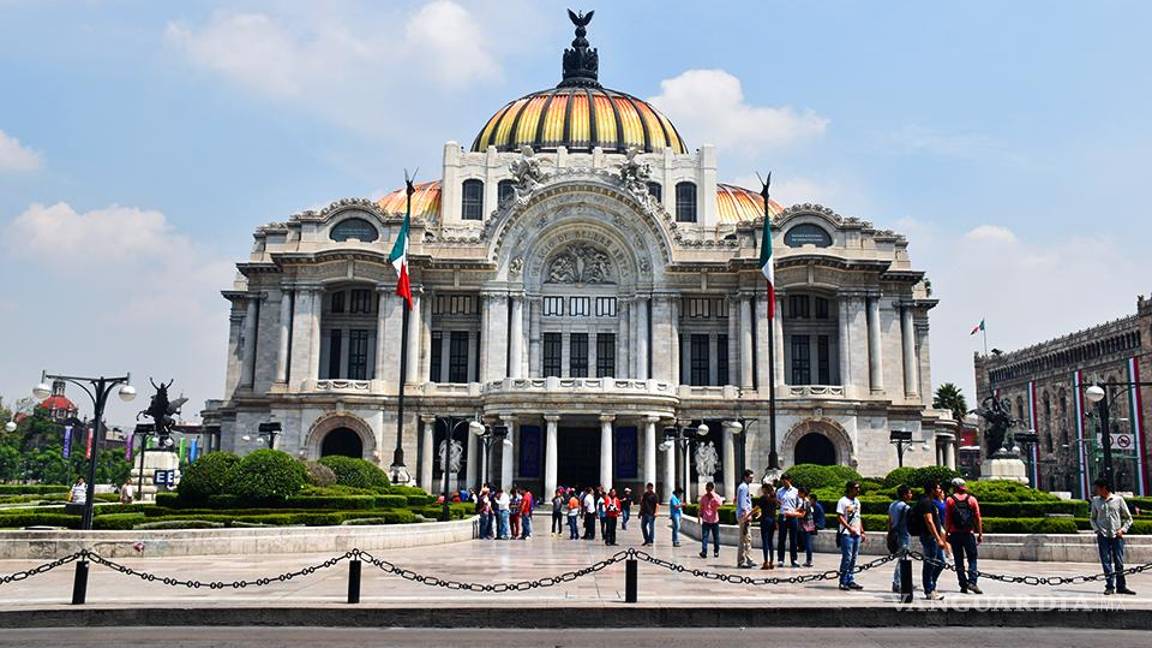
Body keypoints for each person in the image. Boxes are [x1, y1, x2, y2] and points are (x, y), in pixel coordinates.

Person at [1090, 477, 1136, 595]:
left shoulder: (1118, 500)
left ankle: (1121, 586)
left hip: (1117, 536)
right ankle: (1110, 586)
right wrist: (1097, 530)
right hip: (1103, 536)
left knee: (1119, 562)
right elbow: (1092, 518)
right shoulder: (1095, 501)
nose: (1096, 490)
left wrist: (1123, 530)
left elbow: (1129, 518)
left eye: (1097, 488)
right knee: (1106, 562)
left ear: (1104, 488)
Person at [910, 481, 950, 600]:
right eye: (938, 488)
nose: (940, 490)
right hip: (929, 537)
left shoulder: (929, 501)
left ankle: (931, 585)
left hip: (932, 537)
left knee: (941, 562)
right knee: (930, 563)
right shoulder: (926, 502)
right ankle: (929, 590)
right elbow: (929, 521)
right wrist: (938, 539)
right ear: (932, 490)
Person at [945, 478, 983, 594]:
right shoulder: (972, 499)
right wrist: (980, 534)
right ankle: (972, 582)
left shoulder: (950, 500)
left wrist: (946, 534)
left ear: (954, 487)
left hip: (955, 534)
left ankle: (963, 585)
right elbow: (977, 518)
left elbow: (948, 519)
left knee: (958, 560)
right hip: (968, 533)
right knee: (972, 558)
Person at [836, 481, 865, 591]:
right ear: (850, 489)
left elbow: (858, 517)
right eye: (856, 488)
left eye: (858, 488)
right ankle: (843, 581)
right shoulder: (842, 501)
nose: (858, 490)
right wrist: (849, 528)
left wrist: (862, 531)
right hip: (846, 534)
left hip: (856, 533)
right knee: (847, 557)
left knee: (853, 558)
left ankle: (850, 579)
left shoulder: (857, 501)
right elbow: (839, 517)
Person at [887, 484, 914, 593]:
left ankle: (902, 582)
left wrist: (889, 534)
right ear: (904, 495)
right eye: (909, 493)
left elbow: (889, 521)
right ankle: (897, 583)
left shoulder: (892, 505)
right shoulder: (906, 507)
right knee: (903, 560)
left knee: (902, 559)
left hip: (894, 534)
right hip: (903, 535)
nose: (911, 495)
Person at [776, 473, 800, 567]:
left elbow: (799, 504)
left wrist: (795, 511)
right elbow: (777, 502)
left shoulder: (795, 491)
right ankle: (780, 559)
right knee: (781, 538)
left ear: (789, 480)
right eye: (782, 481)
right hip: (783, 516)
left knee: (793, 539)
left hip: (792, 516)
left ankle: (794, 559)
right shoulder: (779, 491)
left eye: (785, 481)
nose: (783, 483)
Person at [754, 482, 778, 569]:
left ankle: (766, 562)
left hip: (765, 520)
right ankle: (771, 562)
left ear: (765, 489)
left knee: (765, 541)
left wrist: (748, 515)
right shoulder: (774, 498)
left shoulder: (764, 498)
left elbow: (756, 508)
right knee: (770, 542)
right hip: (773, 520)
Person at [735, 469, 756, 569]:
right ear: (745, 477)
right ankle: (744, 560)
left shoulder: (744, 486)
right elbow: (743, 503)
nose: (752, 479)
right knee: (745, 538)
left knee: (745, 538)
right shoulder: (743, 487)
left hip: (744, 515)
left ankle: (747, 559)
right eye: (750, 477)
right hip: (744, 516)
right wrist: (746, 516)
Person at [698, 482, 722, 559]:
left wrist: (713, 496)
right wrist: (699, 517)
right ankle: (704, 552)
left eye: (709, 489)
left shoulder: (716, 496)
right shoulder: (703, 498)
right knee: (704, 537)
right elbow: (701, 507)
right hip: (706, 520)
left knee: (716, 537)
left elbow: (720, 504)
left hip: (714, 520)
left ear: (712, 489)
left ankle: (716, 551)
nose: (708, 491)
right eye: (707, 489)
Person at [797, 486, 817, 567]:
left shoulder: (805, 502)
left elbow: (803, 514)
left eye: (799, 492)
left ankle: (809, 560)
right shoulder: (807, 501)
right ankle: (809, 560)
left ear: (803, 493)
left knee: (807, 543)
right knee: (807, 542)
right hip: (808, 524)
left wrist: (793, 514)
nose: (798, 494)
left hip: (806, 525)